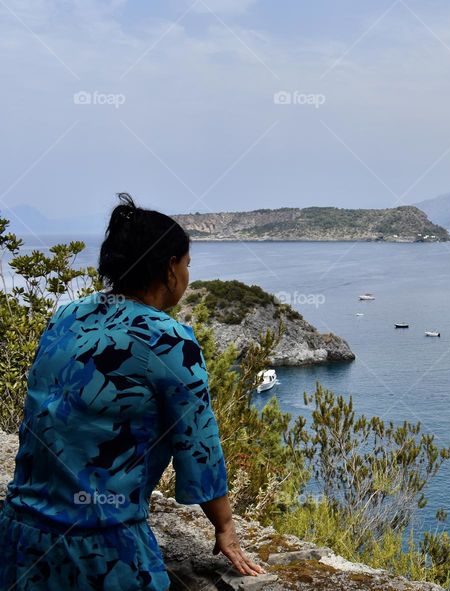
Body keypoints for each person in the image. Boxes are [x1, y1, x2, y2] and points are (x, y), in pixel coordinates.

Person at [0, 194, 264, 590]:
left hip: (21, 537)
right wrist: (225, 526)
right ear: (169, 270)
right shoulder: (168, 339)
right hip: (100, 546)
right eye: (187, 264)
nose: (188, 276)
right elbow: (198, 444)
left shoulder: (68, 314)